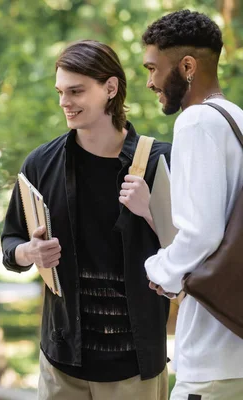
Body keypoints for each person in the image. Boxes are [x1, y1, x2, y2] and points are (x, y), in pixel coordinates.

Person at [1, 40, 171, 399]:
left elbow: (192, 249)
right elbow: (10, 243)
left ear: (110, 88)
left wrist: (150, 212)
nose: (65, 102)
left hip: (135, 367)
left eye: (76, 91)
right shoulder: (40, 164)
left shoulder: (160, 163)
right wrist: (29, 253)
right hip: (62, 363)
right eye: (61, 91)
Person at [143, 10, 243, 399]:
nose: (150, 82)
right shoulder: (236, 118)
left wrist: (159, 270)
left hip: (212, 352)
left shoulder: (196, 122)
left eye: (153, 68)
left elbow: (201, 231)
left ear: (187, 66)